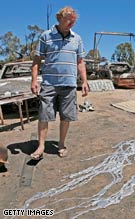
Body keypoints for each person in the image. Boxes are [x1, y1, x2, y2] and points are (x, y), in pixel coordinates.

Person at [30, 6, 89, 159]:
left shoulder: (77, 38)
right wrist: (34, 80)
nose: (72, 24)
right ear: (60, 19)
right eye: (70, 20)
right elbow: (37, 60)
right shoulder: (46, 36)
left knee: (66, 116)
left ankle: (61, 144)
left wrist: (84, 82)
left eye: (74, 21)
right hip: (49, 83)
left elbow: (80, 62)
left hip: (69, 84)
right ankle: (41, 146)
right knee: (44, 115)